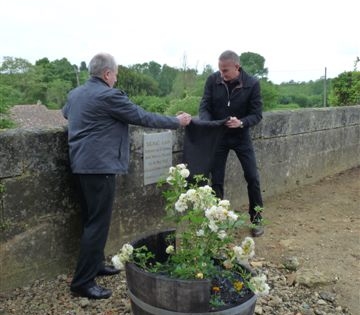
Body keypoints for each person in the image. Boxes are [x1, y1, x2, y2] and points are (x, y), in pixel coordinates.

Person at [62, 52, 191, 299]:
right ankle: (82, 282)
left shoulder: (76, 93)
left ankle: (96, 264)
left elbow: (68, 114)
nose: (116, 79)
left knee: (91, 219)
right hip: (100, 167)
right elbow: (142, 117)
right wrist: (176, 121)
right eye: (116, 74)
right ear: (108, 74)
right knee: (97, 223)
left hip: (80, 164)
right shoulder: (109, 95)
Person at [198, 50, 264, 237]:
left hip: (241, 136)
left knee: (252, 177)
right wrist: (208, 123)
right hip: (219, 136)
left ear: (237, 67)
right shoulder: (213, 80)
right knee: (216, 180)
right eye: (219, 70)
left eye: (225, 71)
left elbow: (257, 115)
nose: (222, 75)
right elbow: (204, 106)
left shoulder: (252, 84)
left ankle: (257, 220)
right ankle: (218, 221)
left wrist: (241, 122)